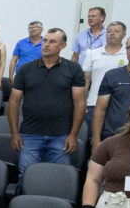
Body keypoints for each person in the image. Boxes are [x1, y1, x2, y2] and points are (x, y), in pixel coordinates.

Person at [8, 28, 86, 190]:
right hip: (30, 135)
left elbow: (80, 103)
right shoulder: (25, 69)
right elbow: (14, 102)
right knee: (26, 176)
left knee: (58, 179)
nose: (46, 44)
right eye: (45, 41)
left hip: (61, 136)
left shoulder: (73, 69)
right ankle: (23, 205)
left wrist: (73, 135)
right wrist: (15, 133)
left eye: (52, 41)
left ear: (62, 46)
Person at [83, 21, 127, 134]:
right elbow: (86, 80)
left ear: (124, 34)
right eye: (109, 31)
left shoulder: (128, 54)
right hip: (94, 103)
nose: (112, 34)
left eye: (116, 31)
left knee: (116, 139)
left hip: (119, 106)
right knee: (92, 138)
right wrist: (83, 102)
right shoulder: (93, 53)